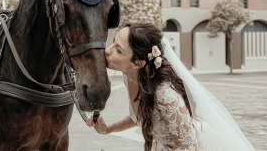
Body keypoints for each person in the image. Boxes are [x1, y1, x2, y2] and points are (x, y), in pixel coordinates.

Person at [87, 22, 255, 151]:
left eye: (119, 50)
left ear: (137, 63)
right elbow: (140, 115)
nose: (107, 51)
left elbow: (189, 148)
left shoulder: (166, 96)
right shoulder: (130, 78)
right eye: (113, 42)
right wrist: (107, 129)